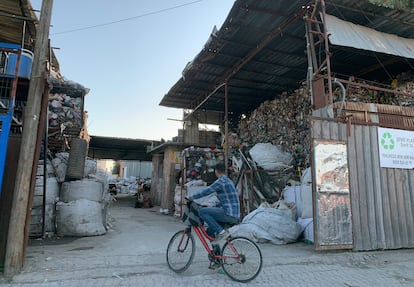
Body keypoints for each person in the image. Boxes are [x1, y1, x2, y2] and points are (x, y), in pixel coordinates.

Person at [187, 162, 240, 245]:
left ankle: (222, 232)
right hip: (233, 214)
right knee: (210, 231)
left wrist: (191, 197)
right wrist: (211, 206)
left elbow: (207, 191)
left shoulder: (221, 181)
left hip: (229, 214)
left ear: (216, 171)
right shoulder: (227, 180)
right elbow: (223, 200)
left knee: (202, 211)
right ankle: (217, 256)